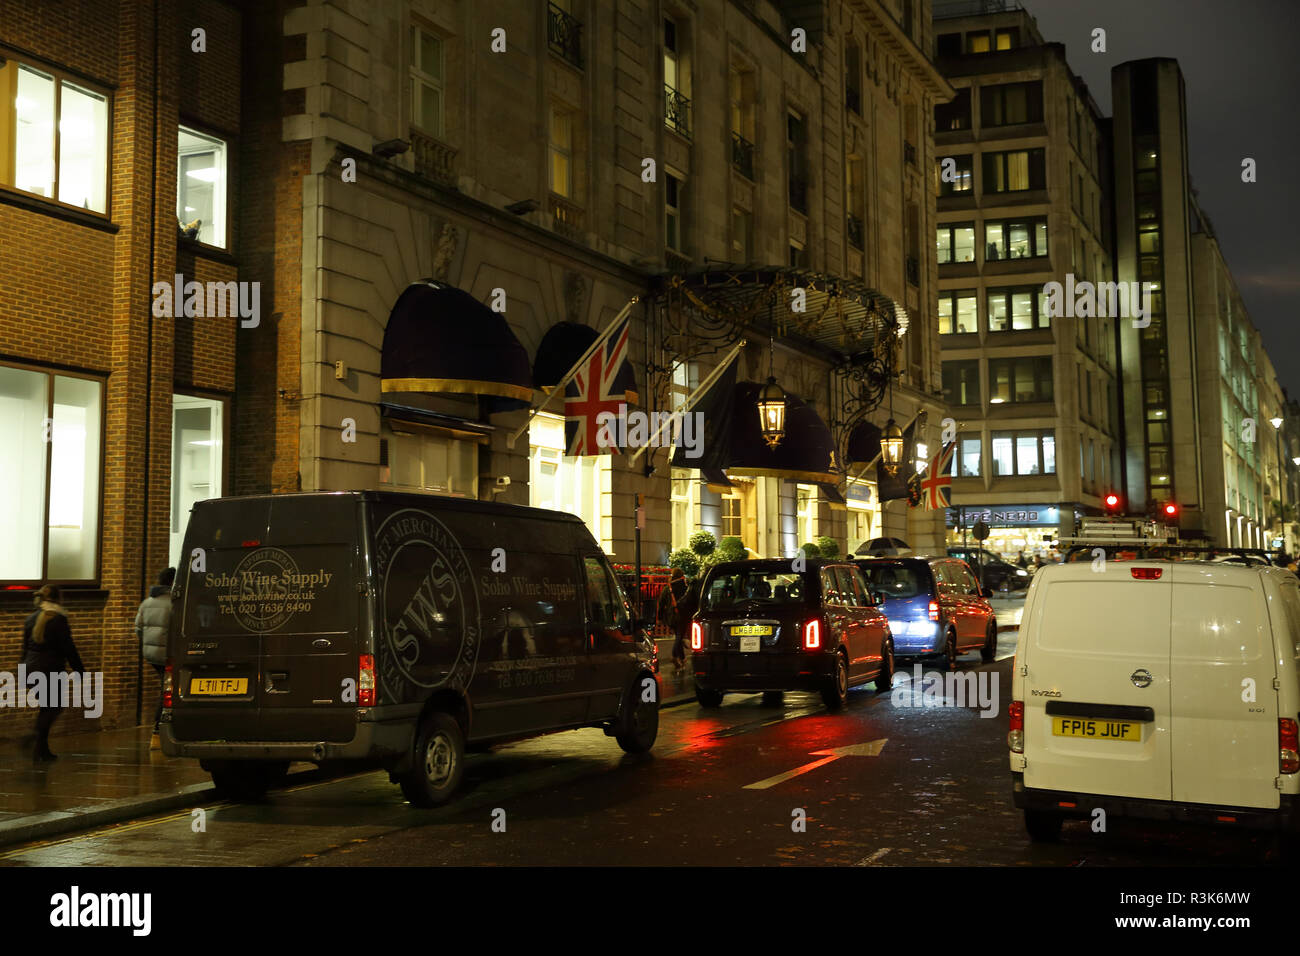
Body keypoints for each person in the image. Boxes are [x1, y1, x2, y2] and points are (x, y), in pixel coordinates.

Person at [21, 584, 86, 763]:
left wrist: (22, 671)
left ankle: (42, 750)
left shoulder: (31, 618)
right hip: (50, 670)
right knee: (55, 707)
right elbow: (68, 648)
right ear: (58, 599)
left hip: (31, 669)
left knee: (46, 707)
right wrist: (80, 670)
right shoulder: (59, 620)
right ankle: (35, 736)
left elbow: (24, 648)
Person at [135, 567, 175, 751]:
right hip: (166, 654)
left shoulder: (147, 602)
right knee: (167, 690)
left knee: (166, 687)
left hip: (150, 654)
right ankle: (158, 731)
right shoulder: (173, 603)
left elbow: (138, 627)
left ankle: (163, 728)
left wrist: (147, 645)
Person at [657, 568, 689, 670]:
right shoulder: (685, 587)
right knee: (679, 636)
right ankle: (674, 656)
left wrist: (660, 617)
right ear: (681, 575)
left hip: (671, 616)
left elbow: (661, 603)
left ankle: (682, 659)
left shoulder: (668, 588)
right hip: (682, 616)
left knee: (678, 637)